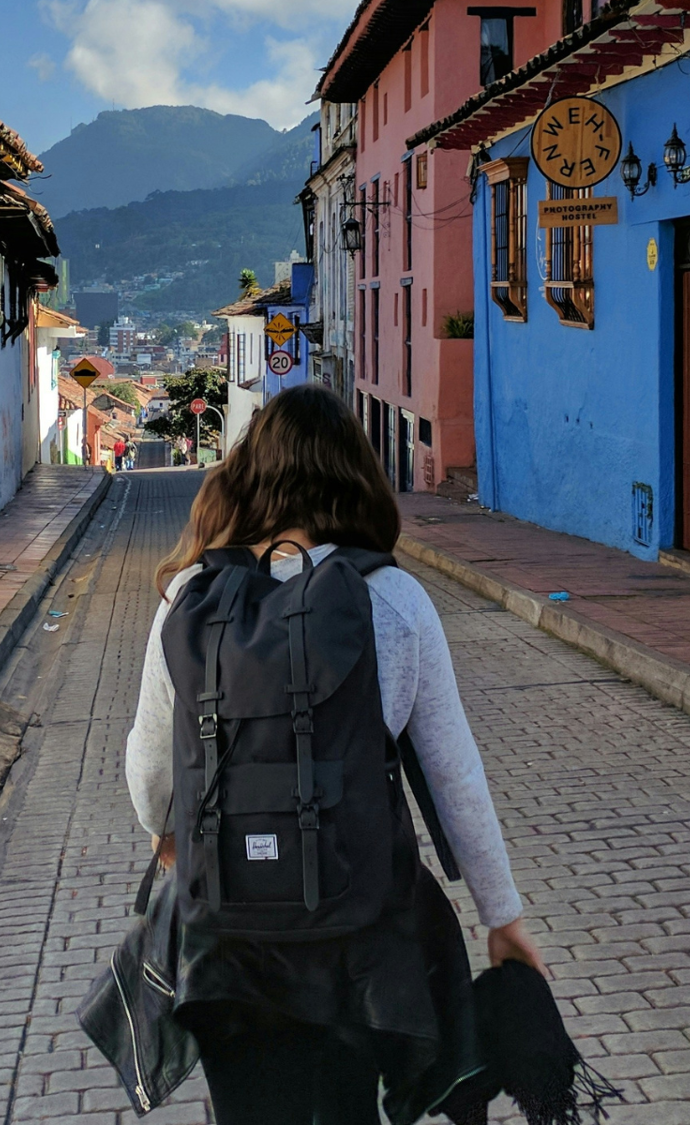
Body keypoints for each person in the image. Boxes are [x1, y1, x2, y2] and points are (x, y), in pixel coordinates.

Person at [123, 384, 541, 1125]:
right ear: (356, 474)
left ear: (250, 473)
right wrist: (501, 914)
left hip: (229, 941)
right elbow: (454, 777)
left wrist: (166, 835)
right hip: (357, 939)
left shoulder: (191, 593)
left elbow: (152, 771)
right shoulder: (395, 599)